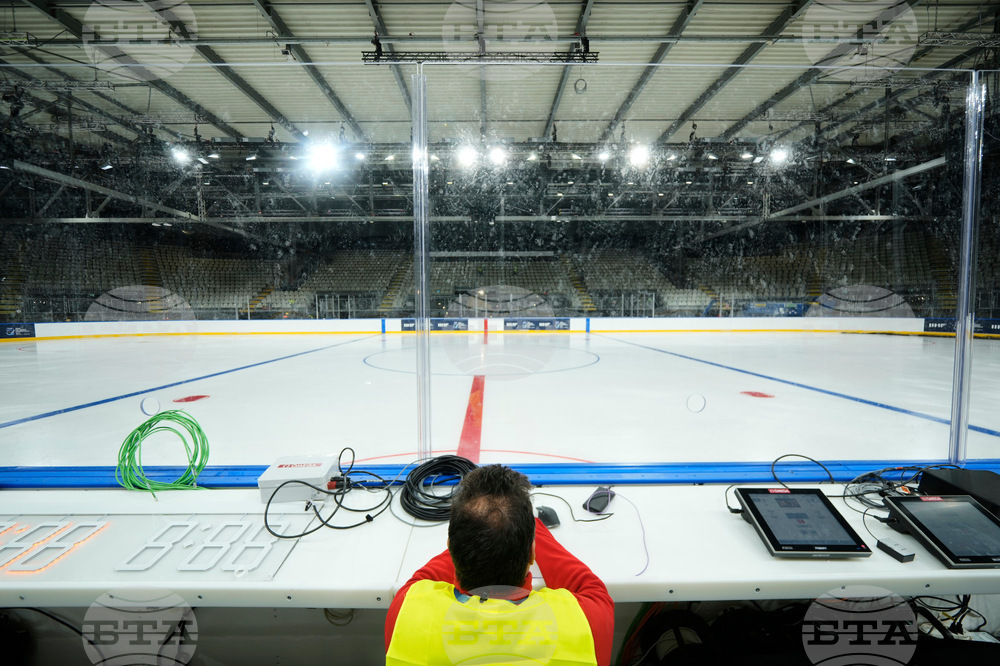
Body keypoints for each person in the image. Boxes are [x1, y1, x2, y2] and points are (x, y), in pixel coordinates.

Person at [385, 465, 614, 665]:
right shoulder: (586, 623)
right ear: (531, 554)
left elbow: (423, 579)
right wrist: (529, 528)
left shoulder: (407, 613)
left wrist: (472, 534)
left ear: (451, 548)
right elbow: (591, 587)